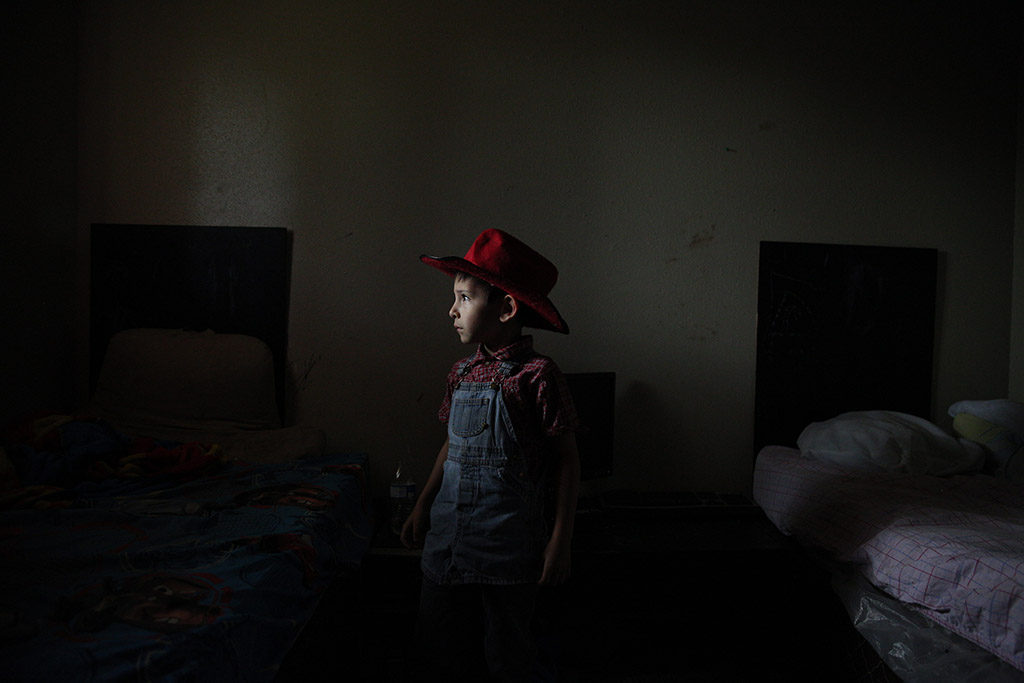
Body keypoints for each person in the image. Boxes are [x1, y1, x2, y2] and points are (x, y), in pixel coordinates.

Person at [401, 228, 580, 681]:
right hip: (448, 539)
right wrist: (423, 504)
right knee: (437, 647)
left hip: (509, 548)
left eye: (464, 297)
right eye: (454, 298)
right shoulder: (461, 372)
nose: (452, 310)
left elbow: (566, 459)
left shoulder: (538, 376)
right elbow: (452, 445)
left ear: (506, 308)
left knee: (508, 653)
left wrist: (560, 540)